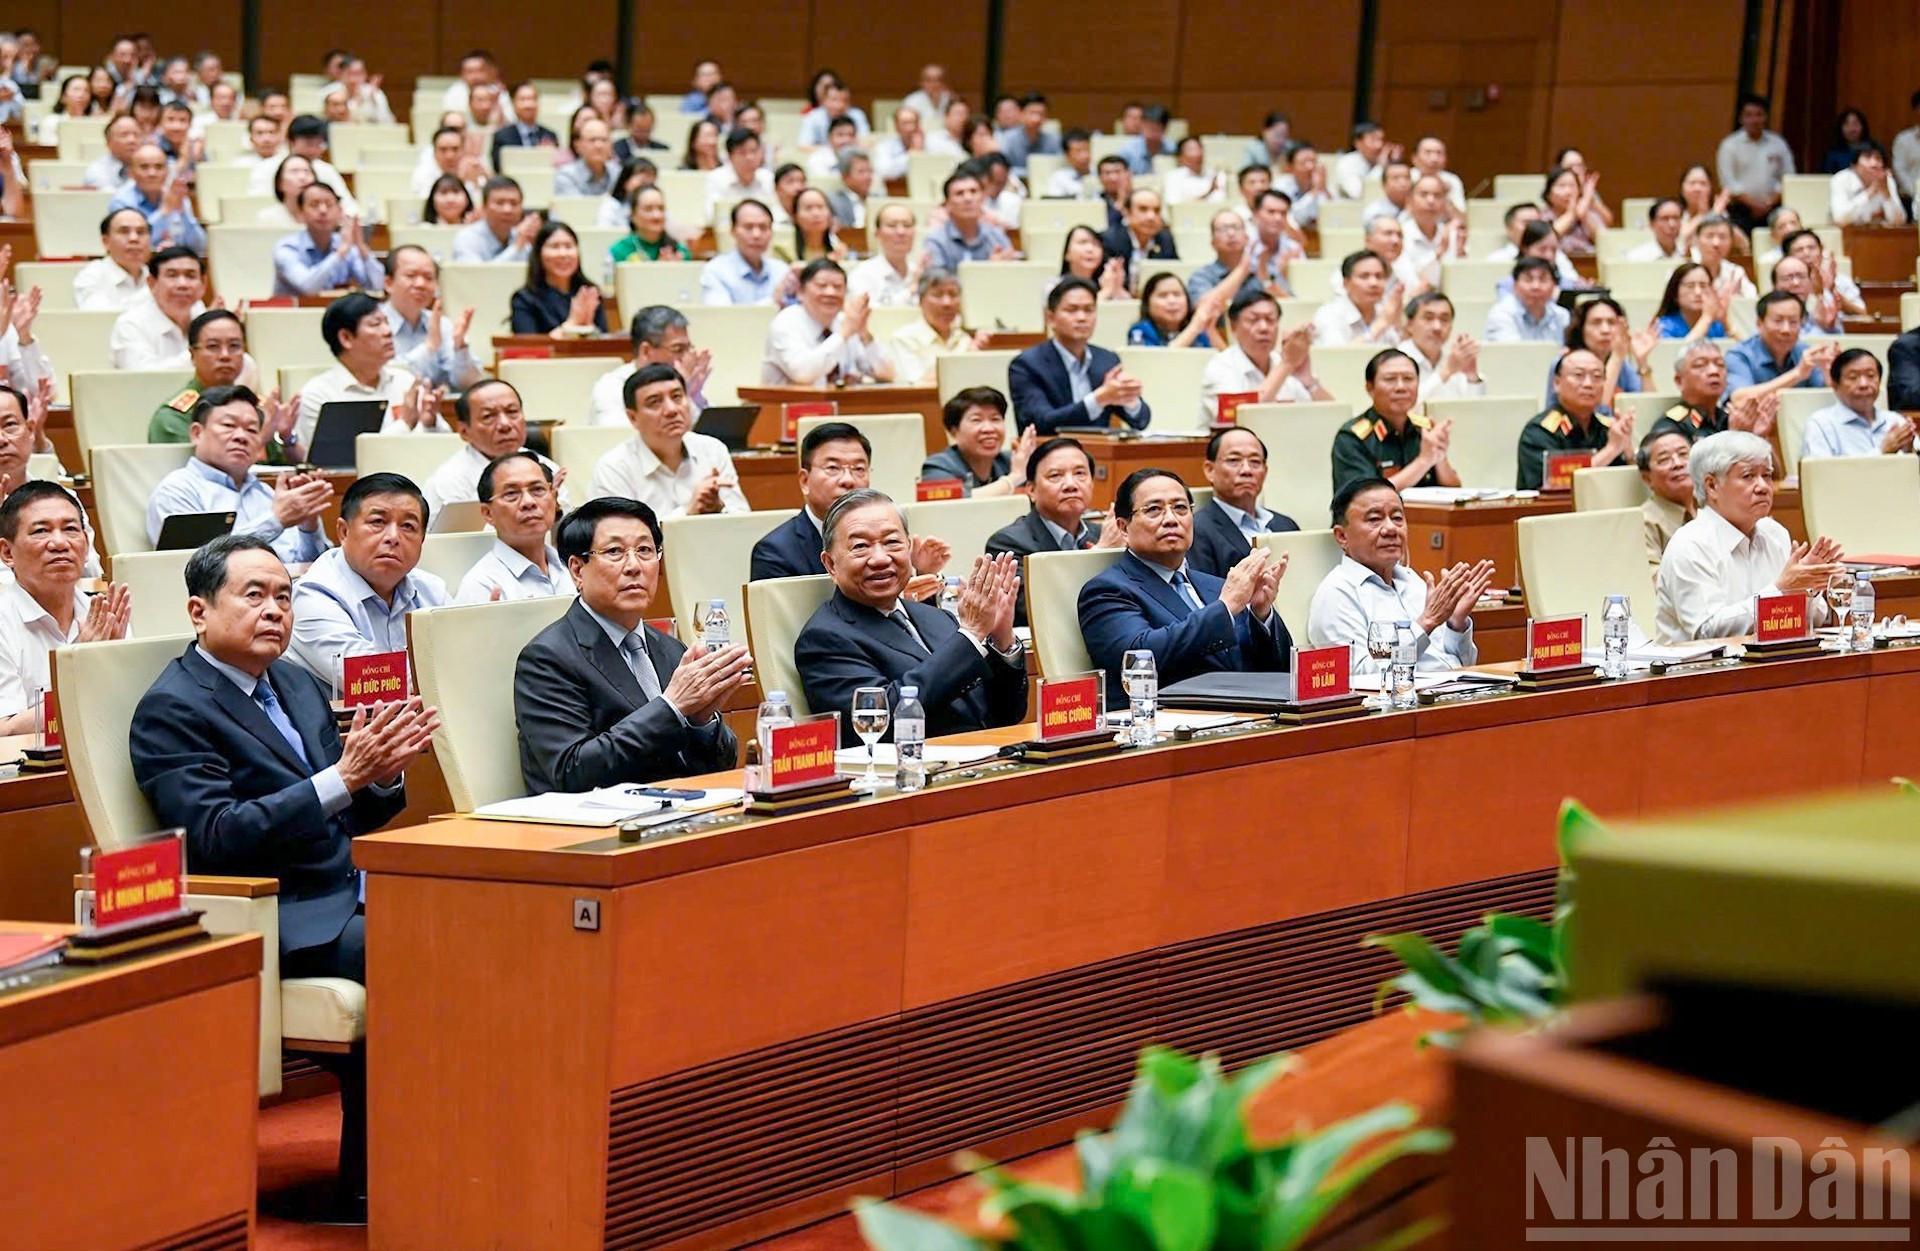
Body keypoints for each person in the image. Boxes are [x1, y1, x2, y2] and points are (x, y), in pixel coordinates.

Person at [130, 531, 433, 998]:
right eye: (254, 596)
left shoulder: (294, 682)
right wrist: (345, 777)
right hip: (282, 913)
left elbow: (347, 815)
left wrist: (381, 777)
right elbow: (216, 836)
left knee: (485, 910)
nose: (274, 611)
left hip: (356, 886)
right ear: (199, 612)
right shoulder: (172, 709)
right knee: (426, 942)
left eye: (284, 597)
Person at [514, 496, 744, 792]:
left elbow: (720, 766)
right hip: (596, 817)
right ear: (577, 570)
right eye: (614, 551)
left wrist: (701, 721)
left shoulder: (671, 649)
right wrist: (672, 707)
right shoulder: (547, 658)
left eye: (645, 550)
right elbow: (572, 770)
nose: (634, 566)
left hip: (679, 809)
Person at [795, 489, 1026, 746]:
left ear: (909, 548)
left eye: (892, 542)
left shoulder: (936, 617)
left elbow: (1005, 715)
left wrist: (1001, 639)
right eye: (860, 546)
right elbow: (882, 721)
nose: (880, 558)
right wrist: (971, 634)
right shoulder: (824, 638)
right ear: (830, 564)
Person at [1078, 468, 1291, 705]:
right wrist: (1225, 608)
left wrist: (1261, 615)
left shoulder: (1215, 585)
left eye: (1180, 508)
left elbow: (1279, 669)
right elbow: (1139, 658)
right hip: (1165, 718)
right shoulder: (1106, 591)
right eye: (1154, 509)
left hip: (1244, 712)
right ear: (1123, 527)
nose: (1171, 519)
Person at [1655, 431, 1843, 642]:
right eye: (1748, 476)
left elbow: (1815, 619)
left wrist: (1807, 588)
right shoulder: (1690, 545)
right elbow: (1706, 631)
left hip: (1772, 658)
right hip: (1705, 662)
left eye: (1767, 475)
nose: (1763, 487)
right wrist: (1781, 590)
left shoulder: (1775, 534)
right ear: (1712, 486)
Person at [1306, 476, 1491, 674]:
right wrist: (1427, 622)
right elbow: (1360, 677)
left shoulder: (1412, 581)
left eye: (1397, 518)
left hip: (1455, 688)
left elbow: (1459, 664)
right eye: (1374, 519)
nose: (1391, 529)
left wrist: (1456, 624)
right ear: (1342, 536)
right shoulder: (1337, 593)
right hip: (1409, 694)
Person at [288, 474, 449, 692]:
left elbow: (467, 653)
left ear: (422, 540)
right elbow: (372, 681)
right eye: (378, 522)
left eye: (408, 526)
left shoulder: (432, 590)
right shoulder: (313, 595)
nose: (393, 537)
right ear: (344, 532)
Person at [147, 385, 331, 567]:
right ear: (197, 433)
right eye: (229, 426)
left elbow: (313, 565)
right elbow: (197, 565)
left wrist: (309, 527)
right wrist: (276, 520)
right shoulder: (177, 491)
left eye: (251, 430)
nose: (241, 436)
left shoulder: (266, 493)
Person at [0, 482, 129, 731]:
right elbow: (5, 730)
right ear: (7, 552)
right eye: (41, 531)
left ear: (86, 544)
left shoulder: (105, 614)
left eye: (70, 529)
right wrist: (82, 668)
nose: (59, 543)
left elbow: (129, 704)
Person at [589, 363, 746, 518]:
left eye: (677, 397)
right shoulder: (614, 468)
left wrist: (719, 508)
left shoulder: (713, 450)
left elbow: (743, 520)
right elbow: (619, 532)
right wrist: (687, 512)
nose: (671, 410)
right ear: (633, 418)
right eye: (655, 402)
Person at [1009, 278, 1151, 434]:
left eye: (1089, 310)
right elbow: (1039, 423)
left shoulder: (1107, 360)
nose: (1082, 318)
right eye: (1072, 310)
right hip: (1052, 448)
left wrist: (1129, 398)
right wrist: (1098, 399)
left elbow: (1141, 421)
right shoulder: (1027, 365)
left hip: (1099, 448)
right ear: (1051, 318)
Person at [297, 292, 440, 445]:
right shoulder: (319, 395)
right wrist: (404, 426)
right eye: (376, 324)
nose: (388, 331)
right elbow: (338, 456)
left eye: (387, 322)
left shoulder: (406, 382)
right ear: (346, 338)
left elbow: (444, 443)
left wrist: (431, 423)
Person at [420, 378, 563, 521]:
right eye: (488, 416)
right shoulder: (448, 483)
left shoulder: (548, 469)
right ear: (464, 431)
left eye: (512, 412)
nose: (505, 424)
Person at [149, 311, 288, 454]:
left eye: (234, 346)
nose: (225, 355)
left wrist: (287, 437)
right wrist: (262, 437)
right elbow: (203, 466)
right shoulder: (173, 417)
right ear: (192, 355)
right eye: (213, 346)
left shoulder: (259, 409)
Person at [754, 423, 873, 580]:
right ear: (805, 481)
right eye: (833, 468)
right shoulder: (775, 553)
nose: (848, 480)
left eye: (858, 469)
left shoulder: (882, 541)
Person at [1333, 349, 1459, 492]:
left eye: (1408, 379)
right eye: (1390, 379)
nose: (1401, 387)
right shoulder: (1352, 437)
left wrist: (1439, 455)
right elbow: (1366, 496)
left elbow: (1454, 490)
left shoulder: (1424, 430)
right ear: (1370, 388)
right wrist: (1423, 461)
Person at [1199, 289, 1332, 425]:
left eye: (1270, 320)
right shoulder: (1220, 366)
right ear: (1233, 327)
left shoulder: (1282, 362)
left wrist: (1308, 381)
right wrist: (1286, 365)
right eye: (1253, 320)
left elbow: (1334, 419)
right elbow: (1237, 420)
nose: (1264, 328)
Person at [453, 452, 571, 604]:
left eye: (537, 489)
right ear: (488, 513)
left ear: (554, 498)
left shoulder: (575, 566)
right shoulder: (482, 586)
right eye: (511, 494)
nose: (528, 502)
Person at [1186, 428, 1299, 578]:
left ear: (1265, 471)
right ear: (1210, 470)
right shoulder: (1196, 531)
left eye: (1255, 462)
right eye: (1234, 460)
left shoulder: (1286, 526)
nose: (1246, 470)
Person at [762, 259, 893, 385]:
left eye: (838, 287)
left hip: (841, 400)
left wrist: (864, 334)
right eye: (821, 285)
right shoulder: (786, 322)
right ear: (800, 291)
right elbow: (802, 373)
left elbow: (887, 373)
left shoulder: (843, 322)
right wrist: (843, 335)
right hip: (790, 400)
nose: (831, 292)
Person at [1517, 349, 1635, 489]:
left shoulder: (1608, 429)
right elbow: (1557, 485)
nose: (1588, 384)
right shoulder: (1539, 432)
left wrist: (1628, 453)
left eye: (1597, 377)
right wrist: (1611, 450)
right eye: (1579, 375)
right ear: (1557, 383)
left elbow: (1626, 486)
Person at [380, 246, 483, 392]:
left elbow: (468, 384)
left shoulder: (441, 324)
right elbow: (386, 378)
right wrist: (429, 347)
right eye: (411, 275)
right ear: (388, 283)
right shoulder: (373, 324)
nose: (421, 284)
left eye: (429, 278)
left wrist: (460, 347)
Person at [588, 306, 711, 426]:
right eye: (678, 349)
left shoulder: (687, 383)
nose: (688, 358)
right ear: (646, 351)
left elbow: (709, 433)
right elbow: (620, 435)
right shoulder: (611, 388)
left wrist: (689, 394)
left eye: (689, 348)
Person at [108, 246, 215, 374]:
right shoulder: (130, 325)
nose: (182, 284)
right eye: (172, 275)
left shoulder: (203, 315)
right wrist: (201, 353)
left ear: (203, 284)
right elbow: (142, 376)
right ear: (152, 283)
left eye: (190, 276)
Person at [920, 387, 1036, 497]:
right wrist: (1014, 477)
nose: (989, 429)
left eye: (995, 419)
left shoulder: (1011, 461)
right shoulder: (938, 467)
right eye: (976, 420)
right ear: (954, 431)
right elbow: (956, 503)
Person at [272, 183, 382, 298]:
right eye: (314, 205)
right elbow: (308, 288)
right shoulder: (287, 248)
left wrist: (362, 248)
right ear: (301, 213)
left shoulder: (345, 245)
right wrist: (340, 253)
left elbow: (378, 286)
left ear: (340, 211)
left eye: (329, 205)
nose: (323, 210)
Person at [1723, 292, 1838, 401]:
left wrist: (1828, 374)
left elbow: (1826, 399)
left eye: (1793, 322)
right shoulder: (1739, 355)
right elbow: (1739, 399)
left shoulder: (1806, 353)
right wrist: (1797, 374)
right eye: (1778, 321)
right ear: (1759, 323)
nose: (1786, 330)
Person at [1800, 350, 1913, 460]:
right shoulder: (1821, 424)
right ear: (1835, 385)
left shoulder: (1896, 421)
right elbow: (1820, 471)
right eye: (1853, 377)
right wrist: (1882, 452)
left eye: (1870, 376)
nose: (1864, 384)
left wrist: (1909, 452)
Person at [1545, 297, 1652, 410]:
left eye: (1611, 323)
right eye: (1596, 323)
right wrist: (1616, 358)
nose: (1605, 330)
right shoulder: (1565, 363)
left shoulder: (1623, 366)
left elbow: (1649, 408)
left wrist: (1642, 362)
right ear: (1581, 329)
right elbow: (1597, 411)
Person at [889, 268, 987, 387]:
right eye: (937, 295)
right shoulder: (903, 339)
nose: (947, 303)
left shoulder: (964, 339)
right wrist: (965, 358)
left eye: (953, 295)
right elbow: (917, 386)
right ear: (920, 301)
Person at [246, 115, 360, 218]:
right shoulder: (265, 168)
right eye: (309, 143)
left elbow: (348, 206)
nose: (314, 149)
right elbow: (258, 204)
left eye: (319, 144)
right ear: (291, 142)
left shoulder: (327, 170)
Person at [510, 221, 608, 337]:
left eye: (568, 246)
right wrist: (572, 324)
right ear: (539, 254)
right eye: (554, 247)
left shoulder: (587, 293)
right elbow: (529, 346)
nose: (563, 254)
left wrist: (591, 329)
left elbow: (604, 339)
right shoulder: (524, 299)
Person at [1715, 95, 1795, 234]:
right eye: (1749, 115)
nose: (1754, 120)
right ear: (1741, 119)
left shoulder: (1778, 143)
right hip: (1740, 211)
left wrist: (1770, 202)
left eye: (1759, 115)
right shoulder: (1730, 145)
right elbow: (1728, 182)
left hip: (1773, 208)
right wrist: (1754, 204)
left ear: (1766, 117)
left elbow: (1788, 176)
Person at [105, 142, 205, 252]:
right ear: (131, 173)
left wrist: (183, 213)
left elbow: (200, 246)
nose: (152, 173)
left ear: (167, 172)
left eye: (159, 167)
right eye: (144, 167)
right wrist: (164, 211)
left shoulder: (176, 197)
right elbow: (131, 244)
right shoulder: (121, 202)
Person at [1649, 339, 1755, 443]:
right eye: (1700, 365)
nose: (1714, 371)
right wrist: (1734, 436)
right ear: (1679, 381)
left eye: (1720, 364)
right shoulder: (1671, 427)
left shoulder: (1731, 419)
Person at [700, 200, 792, 305]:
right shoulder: (715, 271)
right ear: (732, 230)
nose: (756, 235)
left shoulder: (782, 270)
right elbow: (721, 313)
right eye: (748, 227)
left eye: (763, 228)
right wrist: (773, 301)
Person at [923, 168, 1015, 270]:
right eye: (959, 193)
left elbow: (1012, 275)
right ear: (947, 204)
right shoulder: (936, 241)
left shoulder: (997, 237)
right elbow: (937, 279)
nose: (968, 198)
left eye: (973, 191)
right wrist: (989, 269)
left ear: (983, 198)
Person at [1401, 292, 1485, 403]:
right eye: (1428, 318)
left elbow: (1476, 410)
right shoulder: (1397, 360)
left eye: (1444, 319)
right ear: (1409, 325)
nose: (1437, 327)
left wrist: (1471, 377)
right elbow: (1405, 406)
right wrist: (1446, 371)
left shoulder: (1454, 359)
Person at [1312, 251, 1402, 347]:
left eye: (1379, 276)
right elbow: (1337, 354)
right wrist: (1381, 324)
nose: (1374, 283)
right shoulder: (1329, 314)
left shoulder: (1383, 312)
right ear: (1346, 283)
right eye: (1364, 276)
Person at [74, 207, 152, 311]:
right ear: (106, 241)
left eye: (141, 232)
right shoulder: (91, 276)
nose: (134, 238)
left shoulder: (157, 276)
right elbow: (99, 317)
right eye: (124, 231)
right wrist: (150, 293)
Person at [1100, 188, 1178, 292]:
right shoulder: (1110, 240)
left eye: (1156, 211)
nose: (1151, 217)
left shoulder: (1165, 240)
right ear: (1127, 212)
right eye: (1143, 209)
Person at [1637, 430, 1696, 565]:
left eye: (1683, 454)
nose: (1678, 463)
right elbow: (1652, 575)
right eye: (1664, 460)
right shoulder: (1644, 522)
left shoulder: (1715, 505)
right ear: (1647, 478)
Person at [451, 177, 542, 264]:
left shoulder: (521, 236)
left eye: (514, 203)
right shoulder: (466, 238)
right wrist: (516, 247)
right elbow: (478, 274)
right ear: (484, 207)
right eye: (500, 203)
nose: (507, 210)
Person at [846, 204, 921, 308]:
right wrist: (911, 290)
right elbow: (870, 313)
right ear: (877, 234)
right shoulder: (862, 274)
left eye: (907, 225)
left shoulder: (920, 273)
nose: (901, 232)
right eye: (892, 225)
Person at [1128, 273, 1228, 349]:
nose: (1172, 301)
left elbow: (1225, 362)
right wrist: (1194, 327)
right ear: (1147, 303)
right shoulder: (1141, 330)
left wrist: (1210, 330)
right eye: (1163, 296)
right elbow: (1161, 362)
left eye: (1177, 294)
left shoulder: (1199, 332)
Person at [1186, 211, 1265, 307]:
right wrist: (1241, 270)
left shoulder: (1260, 272)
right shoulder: (1200, 276)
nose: (1231, 233)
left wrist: (1267, 279)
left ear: (1247, 238)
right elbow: (1204, 308)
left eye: (1236, 228)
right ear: (1212, 242)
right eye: (1223, 229)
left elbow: (1281, 305)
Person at [1484, 257, 1570, 344]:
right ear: (1515, 285)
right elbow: (1511, 350)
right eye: (1528, 280)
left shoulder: (1562, 316)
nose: (1536, 286)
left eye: (1543, 280)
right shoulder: (1501, 313)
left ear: (1554, 286)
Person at [1829, 141, 1907, 227]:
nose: (1874, 164)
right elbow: (1840, 218)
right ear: (1854, 164)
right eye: (1868, 157)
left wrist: (1886, 193)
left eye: (1878, 158)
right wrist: (1869, 192)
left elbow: (1899, 221)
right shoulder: (1841, 179)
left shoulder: (1886, 180)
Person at [705, 128, 774, 221]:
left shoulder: (768, 177)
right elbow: (712, 215)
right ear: (730, 157)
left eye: (754, 151)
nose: (749, 157)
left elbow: (777, 212)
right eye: (742, 153)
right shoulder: (716, 178)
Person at [1653, 261, 1733, 341]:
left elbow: (1738, 348)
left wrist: (1725, 321)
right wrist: (1707, 318)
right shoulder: (1663, 327)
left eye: (1703, 286)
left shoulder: (1715, 325)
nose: (1698, 292)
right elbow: (1682, 349)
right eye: (1690, 286)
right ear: (1675, 293)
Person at [491, 81, 558, 171]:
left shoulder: (550, 135)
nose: (528, 105)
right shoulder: (502, 136)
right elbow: (498, 168)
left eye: (532, 99)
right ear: (513, 103)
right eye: (523, 99)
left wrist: (546, 155)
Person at [778, 187, 846, 264]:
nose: (815, 213)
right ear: (794, 217)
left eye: (820, 207)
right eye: (808, 208)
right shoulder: (783, 250)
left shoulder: (839, 249)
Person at [554, 116, 616, 198]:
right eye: (592, 140)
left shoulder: (618, 173)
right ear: (578, 145)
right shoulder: (565, 176)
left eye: (604, 140)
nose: (599, 145)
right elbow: (577, 205)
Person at [83, 113, 143, 190]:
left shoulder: (152, 168)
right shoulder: (97, 170)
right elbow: (110, 196)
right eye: (124, 135)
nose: (132, 140)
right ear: (109, 143)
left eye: (136, 135)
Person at [1163, 136, 1224, 205]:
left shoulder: (1216, 175)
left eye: (1198, 148)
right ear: (1180, 157)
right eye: (1191, 149)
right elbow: (1173, 204)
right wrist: (1207, 194)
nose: (1197, 153)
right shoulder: (1173, 177)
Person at [1115, 105, 1173, 175]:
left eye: (1156, 129)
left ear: (1164, 129)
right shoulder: (1128, 150)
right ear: (1142, 125)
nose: (1151, 133)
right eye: (1149, 127)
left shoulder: (1171, 149)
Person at [1625, 198, 1687, 263]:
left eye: (1676, 218)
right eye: (1665, 218)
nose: (1672, 225)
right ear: (1652, 224)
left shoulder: (1691, 254)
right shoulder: (1637, 257)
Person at [1045, 128, 1096, 198]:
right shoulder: (1059, 178)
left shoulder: (1101, 174)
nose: (1085, 156)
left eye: (1087, 149)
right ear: (1067, 156)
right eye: (1078, 151)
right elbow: (1055, 203)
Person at [1822, 107, 1873, 174]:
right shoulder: (1833, 154)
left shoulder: (1873, 149)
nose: (1852, 129)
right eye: (1847, 124)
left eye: (1855, 124)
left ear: (1863, 126)